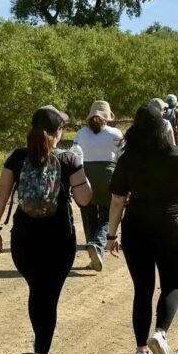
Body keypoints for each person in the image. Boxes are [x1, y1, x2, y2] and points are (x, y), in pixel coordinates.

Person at [0, 105, 93, 354]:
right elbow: (84, 199)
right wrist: (81, 170)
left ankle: (40, 353)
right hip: (59, 239)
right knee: (49, 297)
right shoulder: (68, 159)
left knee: (38, 292)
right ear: (59, 131)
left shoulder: (17, 157)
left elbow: (2, 194)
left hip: (24, 239)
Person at [107, 106, 178, 354]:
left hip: (135, 226)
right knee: (172, 284)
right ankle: (160, 333)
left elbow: (117, 200)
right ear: (163, 127)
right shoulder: (177, 156)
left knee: (142, 290)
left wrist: (111, 234)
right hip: (170, 224)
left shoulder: (128, 159)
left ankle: (140, 353)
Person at [73, 100, 123, 272]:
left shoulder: (80, 134)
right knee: (109, 216)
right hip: (108, 177)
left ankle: (94, 250)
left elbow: (75, 156)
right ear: (107, 117)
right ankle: (97, 246)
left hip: (85, 176)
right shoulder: (115, 133)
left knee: (88, 214)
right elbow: (122, 158)